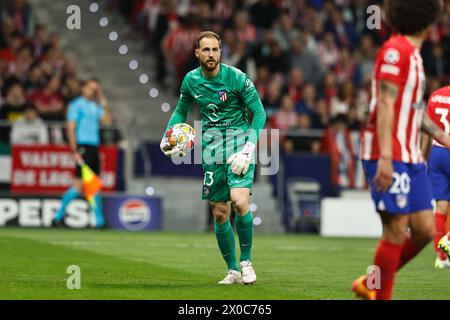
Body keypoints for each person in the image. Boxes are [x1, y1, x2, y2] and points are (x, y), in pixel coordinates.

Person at [353, 0, 450, 300]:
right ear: (429, 18)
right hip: (387, 153)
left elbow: (411, 107)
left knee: (422, 230)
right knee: (396, 230)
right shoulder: (396, 51)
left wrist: (441, 136)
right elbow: (385, 103)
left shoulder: (414, 55)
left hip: (409, 155)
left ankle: (371, 283)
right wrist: (384, 157)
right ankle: (378, 293)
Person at [160, 31, 266, 285]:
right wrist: (169, 134)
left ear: (221, 51)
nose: (211, 55)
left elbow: (259, 114)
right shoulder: (191, 81)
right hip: (212, 148)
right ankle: (232, 270)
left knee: (240, 203)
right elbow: (181, 111)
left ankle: (247, 261)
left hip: (240, 144)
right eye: (206, 50)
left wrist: (248, 149)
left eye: (215, 50)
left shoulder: (237, 78)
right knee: (219, 212)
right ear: (197, 53)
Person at [52, 78, 112, 228]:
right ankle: (57, 216)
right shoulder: (76, 104)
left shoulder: (96, 106)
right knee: (79, 184)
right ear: (84, 88)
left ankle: (100, 221)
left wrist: (103, 101)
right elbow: (71, 127)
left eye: (96, 89)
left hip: (94, 147)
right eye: (92, 88)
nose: (94, 91)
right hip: (83, 146)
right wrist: (74, 149)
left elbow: (107, 121)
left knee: (93, 184)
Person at [422, 85, 450, 268]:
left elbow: (427, 129)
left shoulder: (435, 96)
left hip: (436, 153)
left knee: (441, 206)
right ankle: (448, 240)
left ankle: (440, 258)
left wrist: (423, 156)